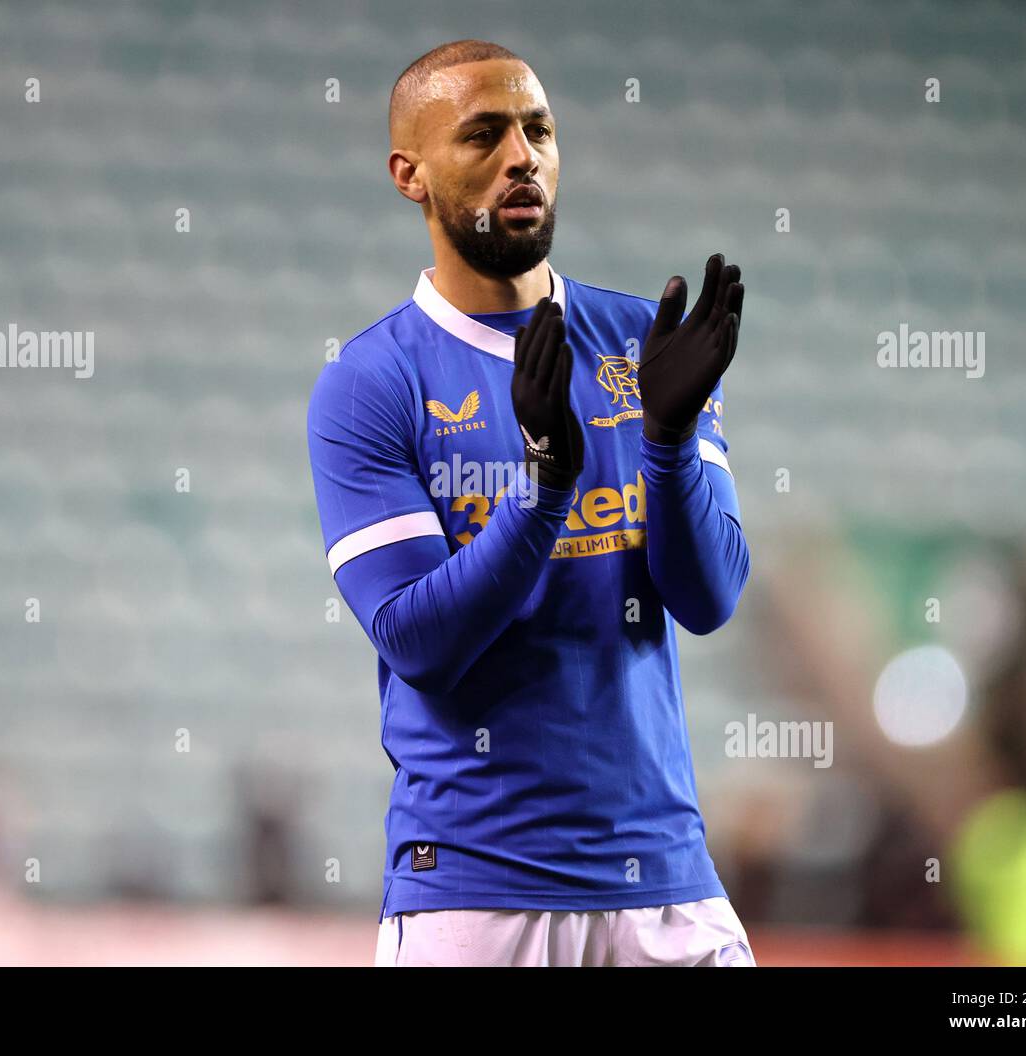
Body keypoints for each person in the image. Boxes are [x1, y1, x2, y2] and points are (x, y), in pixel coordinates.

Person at [307, 39, 752, 966]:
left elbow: (708, 601)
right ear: (410, 175)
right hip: (475, 894)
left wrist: (667, 447)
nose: (523, 157)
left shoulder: (644, 343)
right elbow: (419, 642)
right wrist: (546, 486)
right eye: (484, 135)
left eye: (539, 130)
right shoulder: (371, 383)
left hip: (665, 886)